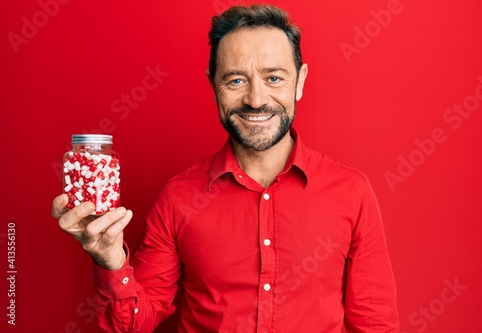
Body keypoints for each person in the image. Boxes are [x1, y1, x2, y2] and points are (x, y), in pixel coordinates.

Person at [52, 4, 399, 333]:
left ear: (301, 80)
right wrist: (111, 263)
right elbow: (132, 324)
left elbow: (374, 325)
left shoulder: (352, 193)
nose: (256, 99)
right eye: (236, 80)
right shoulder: (178, 198)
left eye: (274, 78)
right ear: (213, 84)